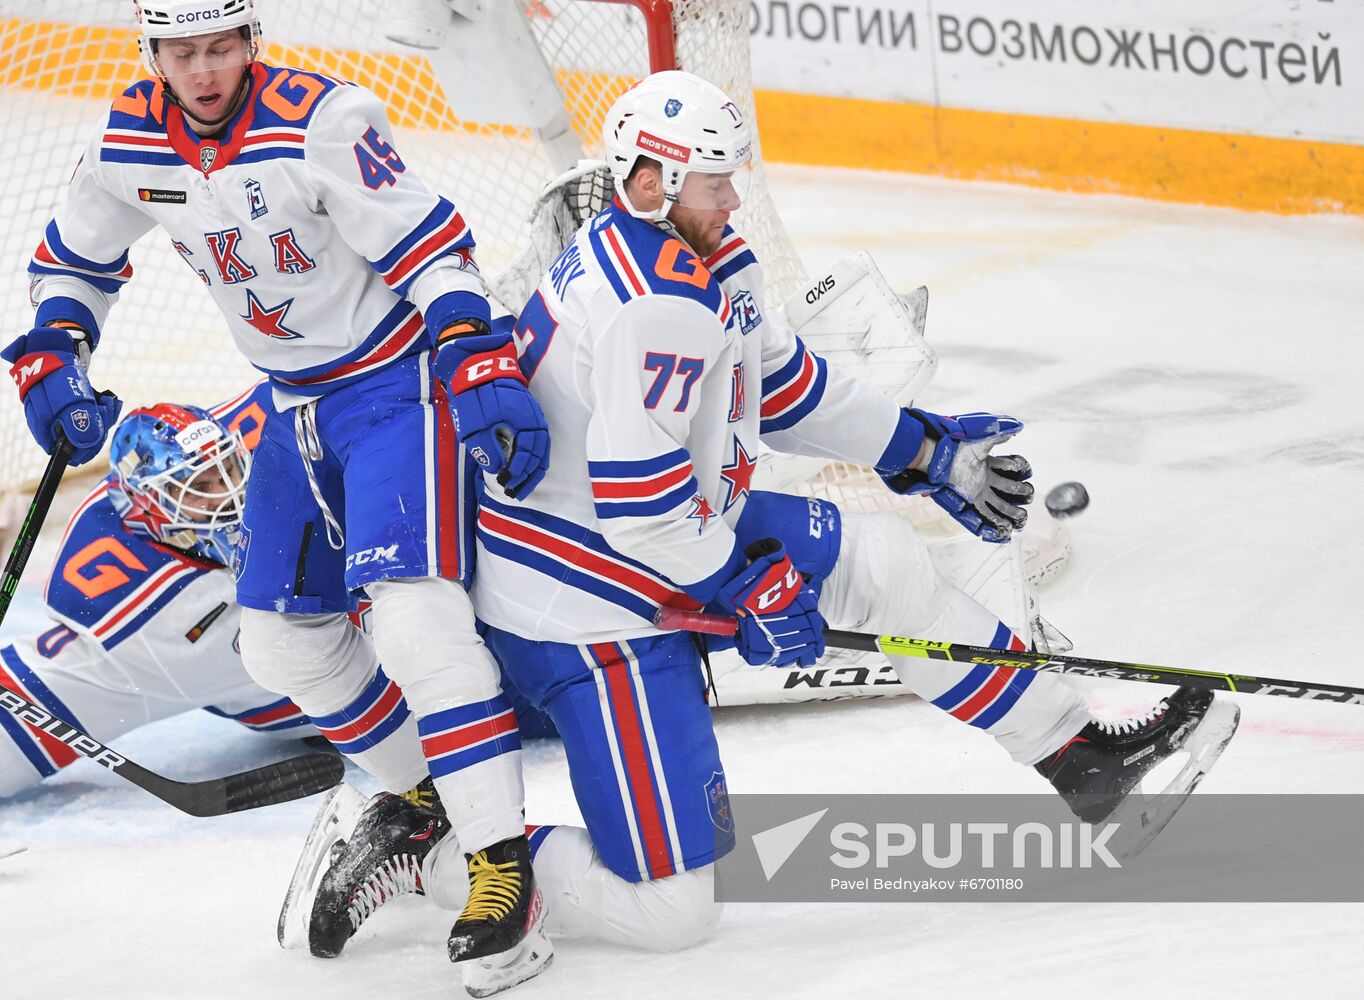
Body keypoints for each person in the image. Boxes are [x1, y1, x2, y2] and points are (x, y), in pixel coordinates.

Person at [399, 71, 1231, 951]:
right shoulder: (652, 306)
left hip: (658, 534)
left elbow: (785, 387)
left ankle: (1084, 763)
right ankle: (435, 852)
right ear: (651, 183)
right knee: (674, 914)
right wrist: (737, 589)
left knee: (884, 565)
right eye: (716, 180)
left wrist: (919, 449)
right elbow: (638, 507)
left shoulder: (703, 257)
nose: (735, 195)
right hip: (579, 600)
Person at [1, 2, 551, 991]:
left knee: (420, 623)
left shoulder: (322, 121)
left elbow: (432, 252)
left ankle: (501, 868)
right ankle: (424, 793)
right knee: (280, 641)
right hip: (292, 404)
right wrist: (54, 362)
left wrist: (476, 360)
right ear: (153, 54)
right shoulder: (130, 136)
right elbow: (74, 264)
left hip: (395, 389)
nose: (204, 72)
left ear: (250, 45)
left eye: (220, 49)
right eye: (183, 52)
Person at [0, 384, 320, 797]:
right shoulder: (146, 618)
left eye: (228, 471)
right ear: (152, 509)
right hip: (330, 696)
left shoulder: (274, 422)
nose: (229, 496)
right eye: (199, 489)